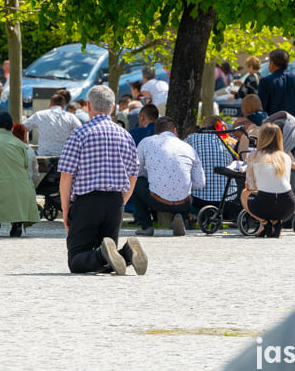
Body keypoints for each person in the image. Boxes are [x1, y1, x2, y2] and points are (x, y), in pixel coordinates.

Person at [58, 85, 147, 276]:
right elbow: (133, 174)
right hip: (114, 202)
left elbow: (66, 176)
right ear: (113, 107)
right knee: (110, 260)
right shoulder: (125, 135)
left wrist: (66, 210)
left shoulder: (79, 134)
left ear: (88, 106)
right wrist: (121, 202)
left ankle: (111, 254)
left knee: (77, 260)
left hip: (86, 202)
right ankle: (128, 253)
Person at [133, 117, 205, 237]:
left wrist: (151, 174)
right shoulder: (188, 147)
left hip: (156, 200)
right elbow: (200, 183)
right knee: (187, 190)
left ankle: (146, 226)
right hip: (184, 202)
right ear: (175, 131)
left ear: (155, 132)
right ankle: (181, 216)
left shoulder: (146, 142)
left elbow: (136, 171)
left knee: (136, 182)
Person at [0, 112, 40, 237]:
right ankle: (17, 223)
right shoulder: (21, 145)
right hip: (22, 188)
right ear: (11, 127)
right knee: (14, 187)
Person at [240, 123, 295, 238]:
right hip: (288, 204)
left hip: (264, 204)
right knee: (272, 194)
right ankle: (276, 222)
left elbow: (250, 185)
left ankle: (265, 223)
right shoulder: (286, 157)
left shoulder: (254, 155)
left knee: (244, 193)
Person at [185, 116, 238, 218]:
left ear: (203, 126)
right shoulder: (229, 142)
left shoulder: (192, 138)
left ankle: (188, 218)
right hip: (226, 200)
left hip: (198, 200)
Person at [22, 92, 82, 157]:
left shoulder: (39, 115)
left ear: (50, 104)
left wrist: (25, 142)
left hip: (42, 154)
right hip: (63, 156)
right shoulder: (70, 117)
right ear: (63, 106)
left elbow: (22, 127)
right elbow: (82, 132)